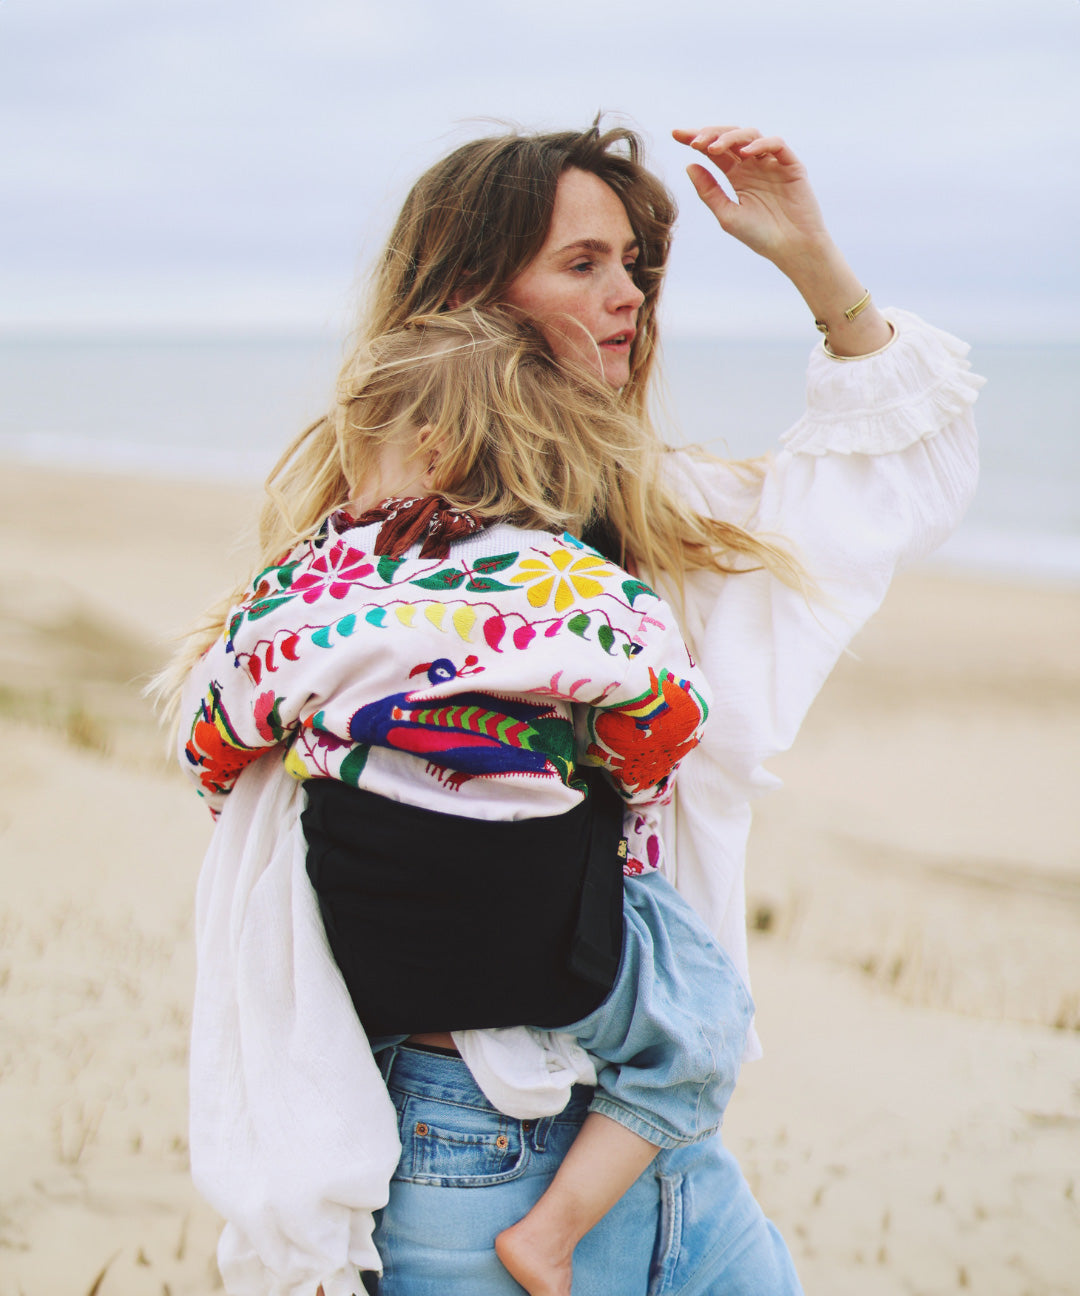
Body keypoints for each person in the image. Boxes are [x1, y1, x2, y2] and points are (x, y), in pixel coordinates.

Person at [159, 120, 981, 1296]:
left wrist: (812, 261)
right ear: (468, 294)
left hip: (672, 1156)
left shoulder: (657, 518)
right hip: (467, 1149)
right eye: (582, 264)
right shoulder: (358, 564)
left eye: (636, 264)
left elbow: (886, 487)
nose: (629, 295)